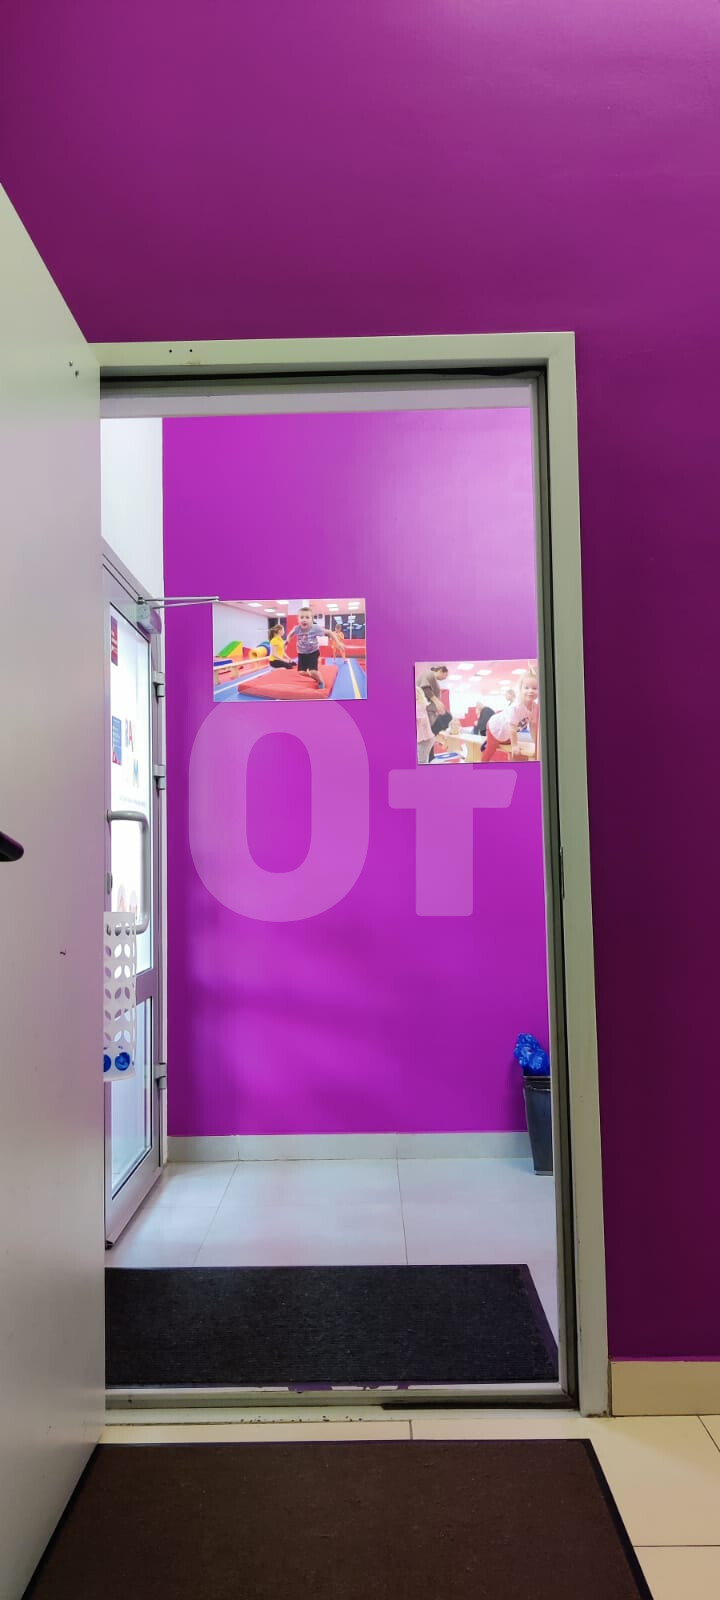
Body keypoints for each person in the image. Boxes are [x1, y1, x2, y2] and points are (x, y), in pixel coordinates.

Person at [480, 669, 539, 762]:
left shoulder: (535, 707)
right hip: (495, 728)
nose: (530, 691)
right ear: (521, 689)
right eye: (526, 688)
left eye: (534, 688)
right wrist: (514, 745)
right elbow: (512, 729)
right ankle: (482, 766)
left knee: (508, 742)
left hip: (506, 730)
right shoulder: (517, 707)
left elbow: (533, 726)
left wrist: (537, 743)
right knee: (491, 750)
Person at [286, 606, 326, 690]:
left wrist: (337, 642)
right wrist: (287, 641)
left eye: (307, 617)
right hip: (302, 653)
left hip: (313, 651)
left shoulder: (315, 627)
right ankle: (315, 676)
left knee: (312, 671)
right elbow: (290, 634)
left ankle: (321, 681)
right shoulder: (297, 628)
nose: (304, 619)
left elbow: (328, 632)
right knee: (301, 672)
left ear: (311, 619)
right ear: (298, 619)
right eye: (302, 617)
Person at [418, 666, 452, 735]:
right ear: (441, 670)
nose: (445, 678)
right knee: (448, 717)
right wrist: (437, 702)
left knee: (448, 717)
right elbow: (425, 688)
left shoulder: (433, 680)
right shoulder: (429, 674)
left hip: (431, 712)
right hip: (428, 712)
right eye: (445, 675)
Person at [416, 682, 434, 764]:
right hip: (425, 738)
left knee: (421, 762)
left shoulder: (420, 705)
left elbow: (420, 719)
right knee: (423, 760)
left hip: (425, 739)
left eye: (417, 693)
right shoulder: (420, 704)